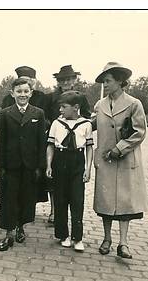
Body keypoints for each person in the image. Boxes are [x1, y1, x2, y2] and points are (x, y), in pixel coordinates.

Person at [92, 62, 148, 260]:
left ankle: (123, 243)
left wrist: (120, 148)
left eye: (107, 81)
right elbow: (91, 125)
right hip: (105, 160)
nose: (104, 85)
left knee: (125, 203)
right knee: (106, 202)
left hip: (125, 161)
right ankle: (106, 239)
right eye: (103, 82)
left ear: (119, 81)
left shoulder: (134, 104)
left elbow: (139, 132)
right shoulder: (100, 105)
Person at [0, 76, 47, 251]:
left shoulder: (38, 113)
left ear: (31, 93)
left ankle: (20, 227)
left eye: (26, 91)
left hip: (29, 164)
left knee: (26, 197)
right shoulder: (5, 113)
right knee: (9, 198)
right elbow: (1, 142)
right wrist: (0, 166)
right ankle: (8, 233)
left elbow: (41, 141)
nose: (22, 94)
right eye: (19, 91)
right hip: (11, 164)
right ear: (12, 93)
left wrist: (41, 166)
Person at [44, 65, 92, 226]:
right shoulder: (51, 97)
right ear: (58, 81)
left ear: (74, 80)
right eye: (62, 79)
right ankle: (54, 210)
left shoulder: (80, 98)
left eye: (68, 79)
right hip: (56, 139)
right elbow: (45, 116)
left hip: (74, 142)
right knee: (53, 180)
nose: (65, 82)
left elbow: (87, 117)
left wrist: (77, 126)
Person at [46, 91, 93, 251]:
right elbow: (50, 146)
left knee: (77, 200)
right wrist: (49, 165)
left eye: (64, 107)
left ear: (76, 107)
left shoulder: (86, 124)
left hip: (77, 163)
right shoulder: (56, 124)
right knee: (60, 200)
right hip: (60, 161)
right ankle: (63, 235)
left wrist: (88, 169)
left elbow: (89, 147)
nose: (60, 110)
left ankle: (77, 238)